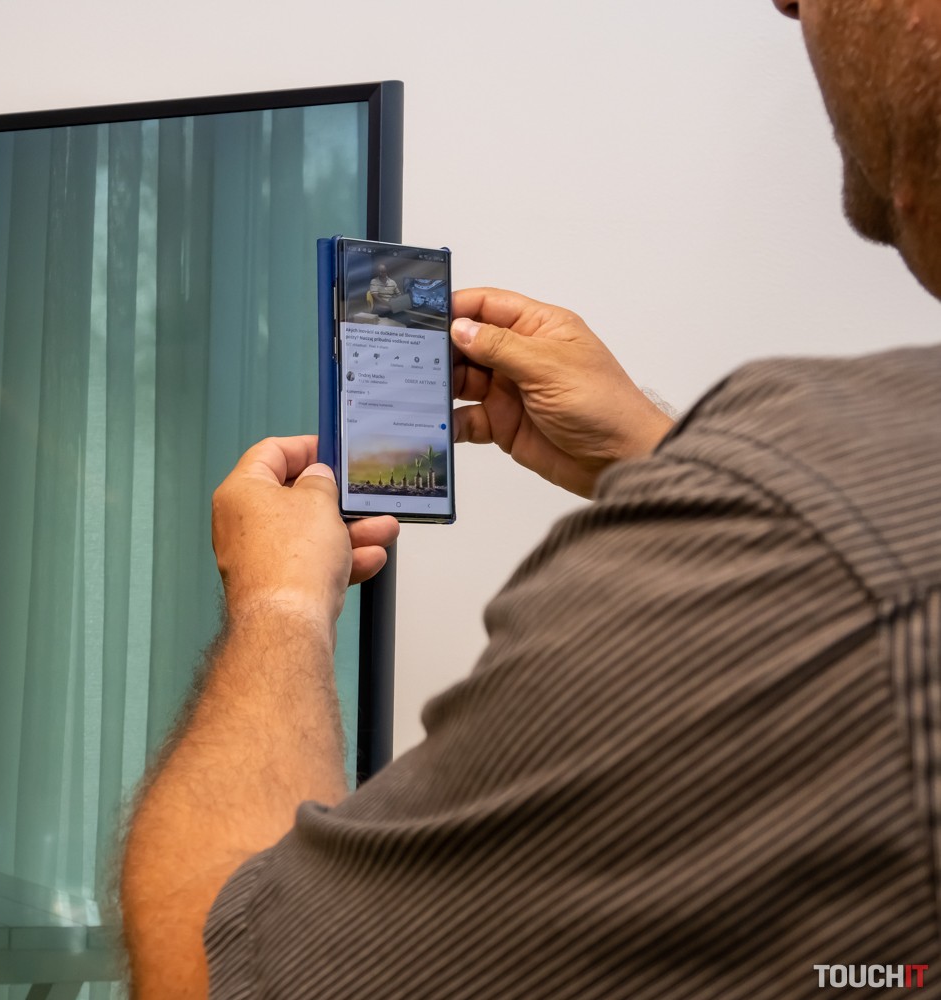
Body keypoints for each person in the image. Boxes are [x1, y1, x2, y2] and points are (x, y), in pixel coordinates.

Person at [120, 0, 941, 996]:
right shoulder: (849, 511)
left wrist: (280, 605)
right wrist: (662, 459)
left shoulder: (823, 562)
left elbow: (213, 972)